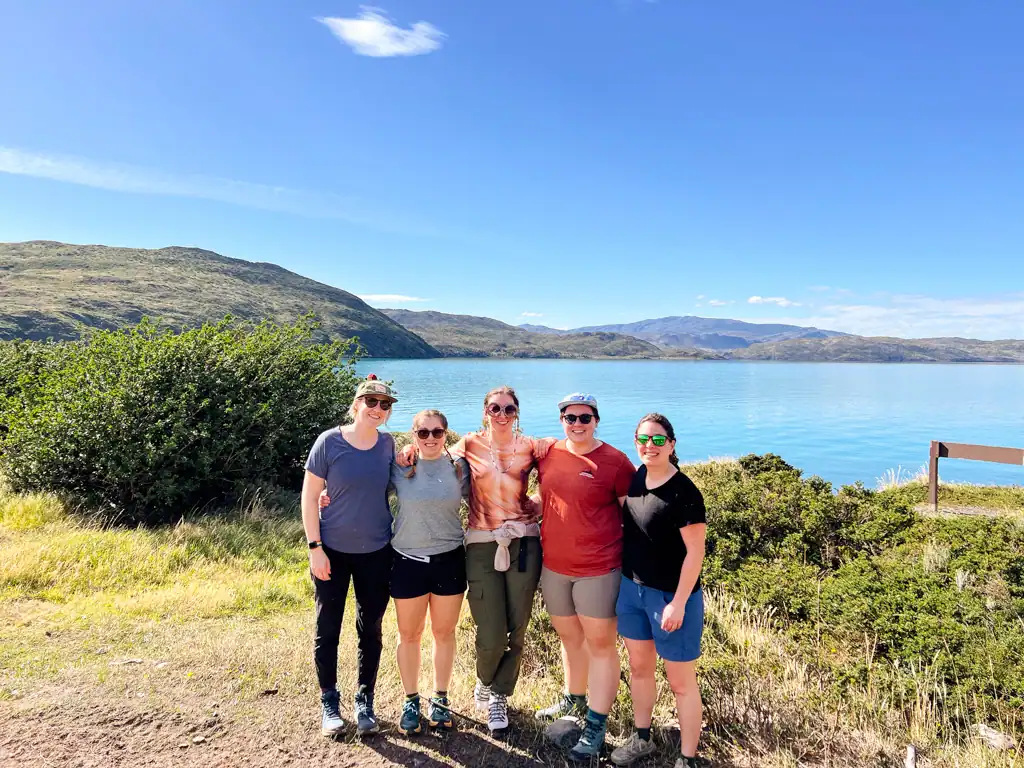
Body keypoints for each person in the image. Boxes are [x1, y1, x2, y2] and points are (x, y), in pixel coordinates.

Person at [400, 386, 551, 733]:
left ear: (517, 413)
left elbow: (554, 478)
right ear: (485, 412)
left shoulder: (531, 448)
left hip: (524, 543)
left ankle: (498, 695)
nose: (501, 415)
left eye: (509, 409)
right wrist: (409, 447)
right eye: (495, 408)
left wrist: (540, 502)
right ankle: (485, 680)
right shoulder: (468, 444)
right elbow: (434, 456)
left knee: (518, 626)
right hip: (482, 544)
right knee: (491, 630)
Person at [322, 409, 471, 735]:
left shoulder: (459, 468)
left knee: (444, 633)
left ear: (446, 434)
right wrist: (325, 496)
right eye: (423, 433)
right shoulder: (399, 467)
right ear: (413, 435)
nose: (430, 438)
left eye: (437, 432)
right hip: (407, 560)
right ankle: (411, 700)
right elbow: (363, 488)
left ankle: (440, 699)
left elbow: (485, 502)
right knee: (409, 635)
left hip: (450, 559)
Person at [533, 393, 635, 762]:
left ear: (596, 420)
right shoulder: (546, 453)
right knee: (569, 637)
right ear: (561, 419)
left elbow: (635, 517)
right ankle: (573, 698)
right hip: (554, 566)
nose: (577, 424)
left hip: (598, 568)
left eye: (584, 417)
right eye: (570, 417)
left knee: (601, 646)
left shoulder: (616, 461)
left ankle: (596, 722)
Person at [301, 374, 397, 738]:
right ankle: (329, 701)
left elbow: (406, 473)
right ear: (357, 404)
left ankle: (364, 700)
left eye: (384, 405)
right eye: (370, 402)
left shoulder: (388, 445)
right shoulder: (329, 442)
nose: (376, 409)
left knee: (370, 628)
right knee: (328, 629)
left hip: (376, 551)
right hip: (332, 552)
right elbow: (310, 497)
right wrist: (315, 548)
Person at [610, 414, 707, 768]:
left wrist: (679, 603)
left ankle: (687, 757)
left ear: (672, 444)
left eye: (658, 440)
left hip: (670, 598)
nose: (649, 446)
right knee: (639, 669)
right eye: (643, 439)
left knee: (681, 682)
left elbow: (696, 553)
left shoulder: (685, 492)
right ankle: (642, 738)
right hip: (631, 591)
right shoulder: (637, 478)